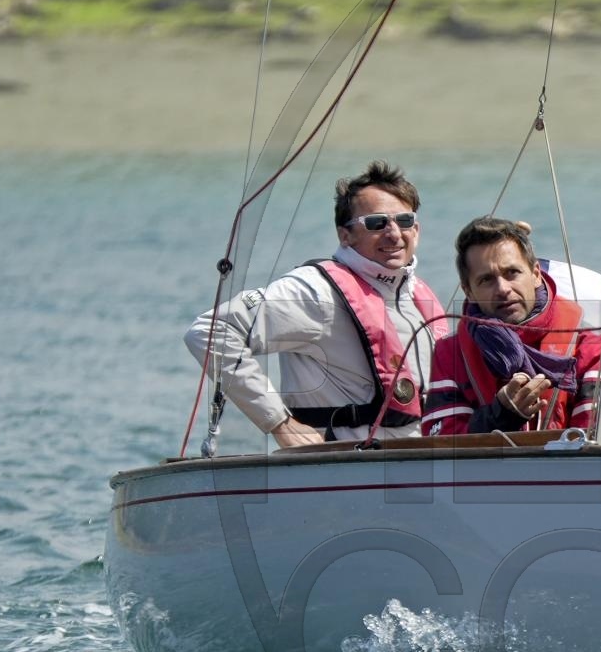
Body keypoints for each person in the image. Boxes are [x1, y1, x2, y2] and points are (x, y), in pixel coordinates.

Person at [185, 160, 446, 448]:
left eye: (404, 221)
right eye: (376, 223)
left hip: (419, 464)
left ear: (416, 229)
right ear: (345, 235)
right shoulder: (316, 291)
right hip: (347, 465)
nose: (394, 233)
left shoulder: (416, 295)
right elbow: (210, 330)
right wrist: (278, 421)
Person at [422, 218, 601, 435]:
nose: (502, 288)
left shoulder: (587, 344)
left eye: (512, 273)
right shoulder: (450, 352)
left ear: (536, 274)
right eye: (486, 280)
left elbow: (595, 436)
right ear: (468, 291)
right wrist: (498, 416)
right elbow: (441, 439)